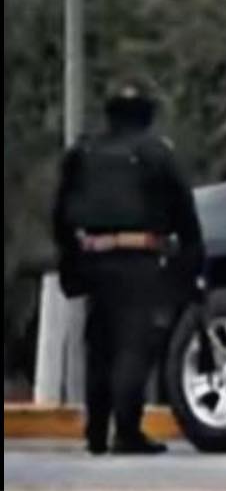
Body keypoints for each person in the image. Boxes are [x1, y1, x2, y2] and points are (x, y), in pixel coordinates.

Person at [52, 80, 206, 456]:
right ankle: (126, 431)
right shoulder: (156, 153)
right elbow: (185, 214)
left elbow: (60, 213)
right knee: (132, 347)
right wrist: (191, 266)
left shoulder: (84, 151)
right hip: (140, 260)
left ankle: (96, 431)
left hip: (94, 257)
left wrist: (71, 263)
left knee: (100, 345)